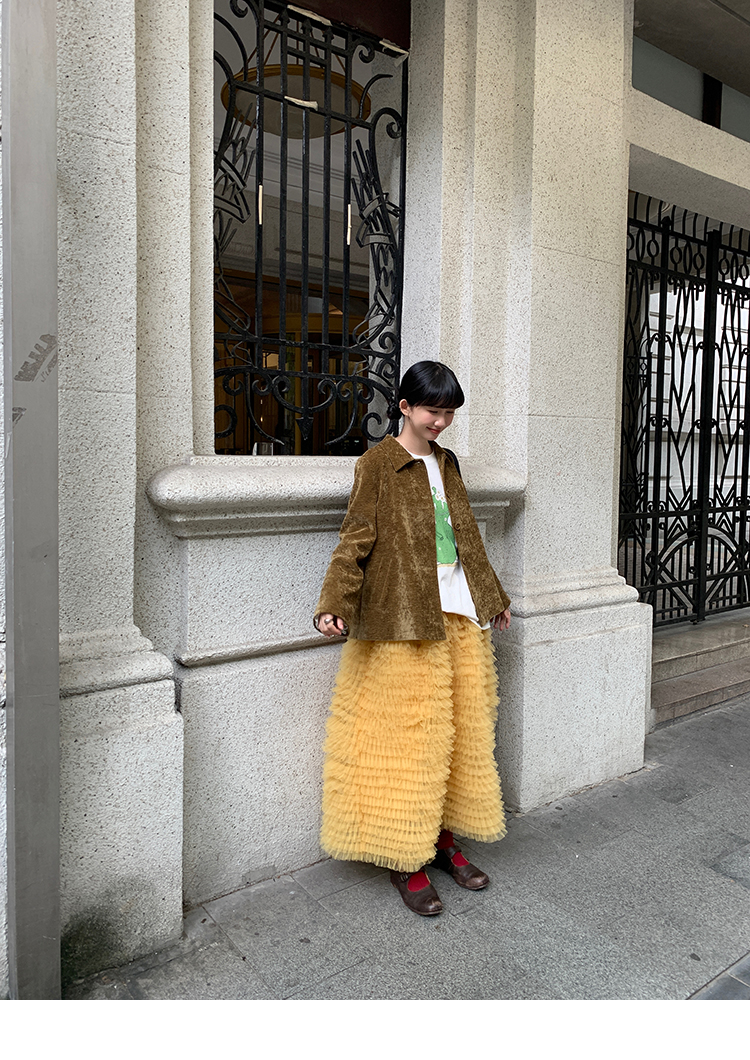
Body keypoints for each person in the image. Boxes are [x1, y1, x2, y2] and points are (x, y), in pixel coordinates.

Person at [314, 360, 511, 916]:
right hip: (403, 621)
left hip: (457, 614)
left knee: (460, 735)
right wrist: (333, 603)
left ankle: (443, 838)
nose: (441, 422)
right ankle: (407, 856)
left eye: (449, 413)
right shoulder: (377, 463)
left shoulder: (447, 462)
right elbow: (355, 537)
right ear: (404, 407)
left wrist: (492, 597)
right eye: (432, 411)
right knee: (408, 743)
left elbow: (466, 535)